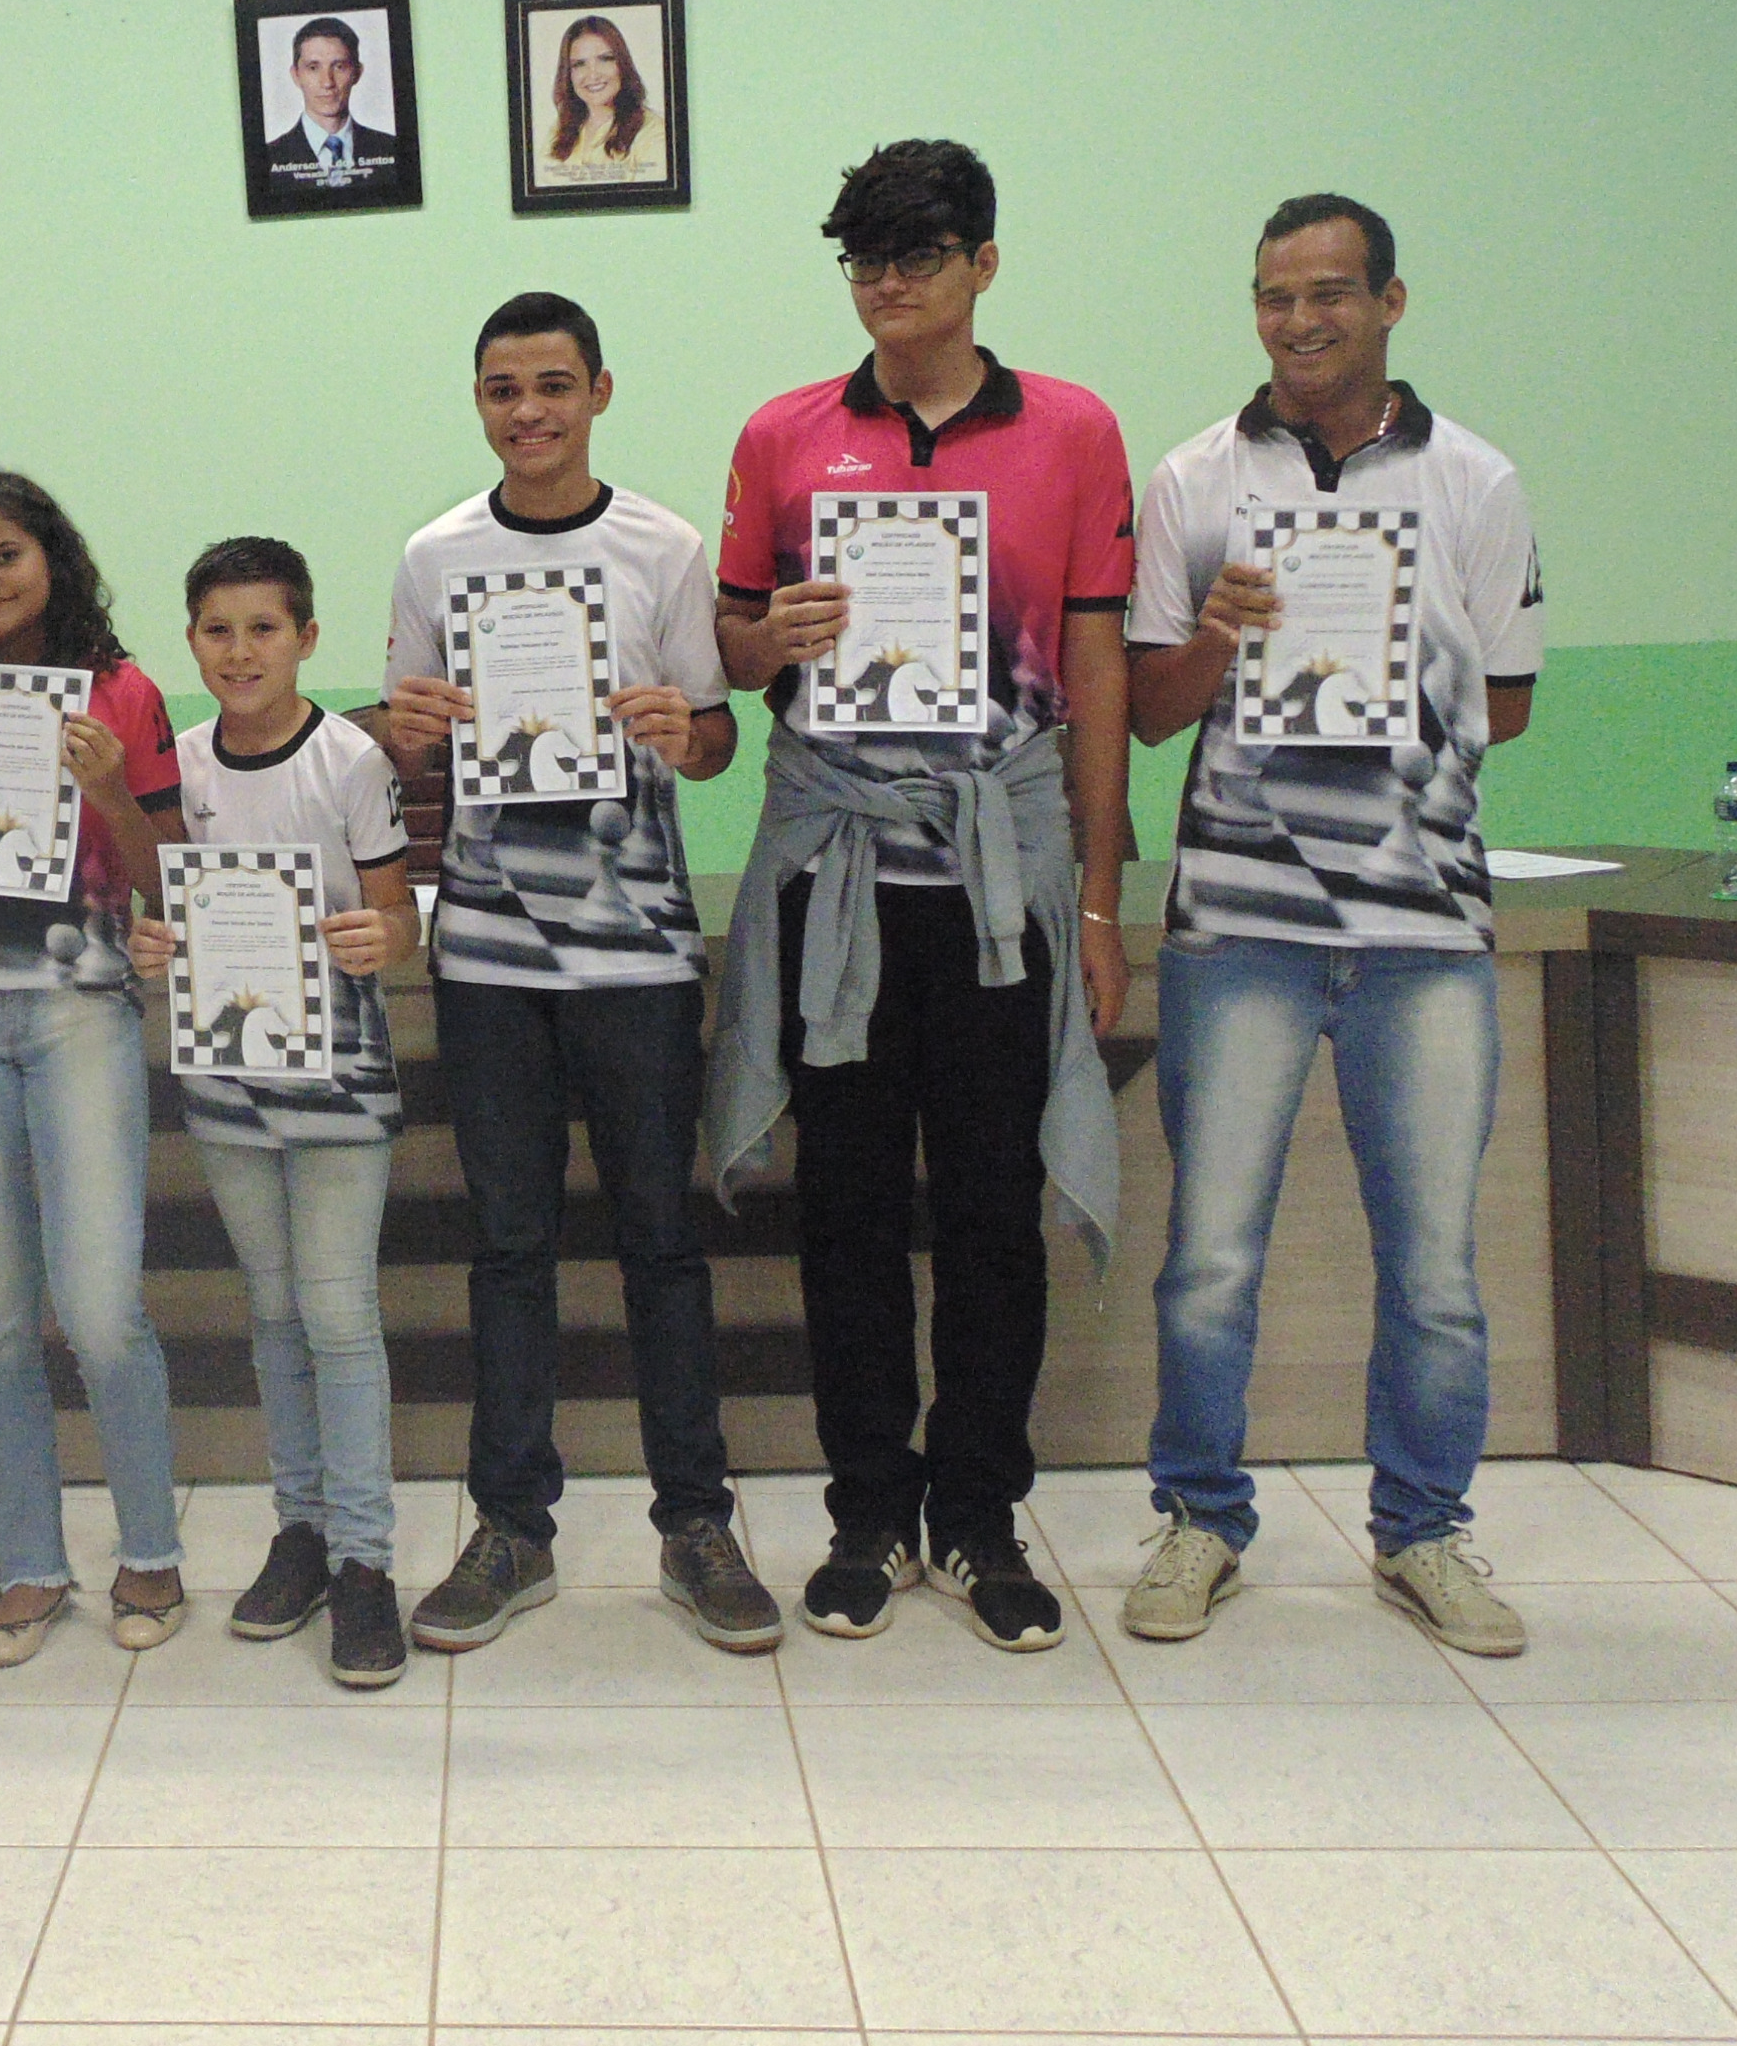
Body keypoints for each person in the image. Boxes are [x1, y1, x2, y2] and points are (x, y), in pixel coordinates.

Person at [702, 138, 1133, 1657]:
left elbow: (1095, 669)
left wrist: (1098, 901)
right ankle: (868, 1514)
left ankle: (980, 1515)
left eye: (919, 256)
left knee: (993, 1213)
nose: (887, 284)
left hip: (998, 892)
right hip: (841, 884)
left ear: (983, 265)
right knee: (848, 1215)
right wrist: (771, 639)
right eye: (864, 261)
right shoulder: (784, 435)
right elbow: (729, 652)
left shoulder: (1072, 430)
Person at [1120, 192, 1542, 1659]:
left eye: (1328, 294)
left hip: (1422, 926)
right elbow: (1150, 713)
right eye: (1273, 296)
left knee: (1433, 1269)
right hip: (1238, 922)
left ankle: (1423, 1531)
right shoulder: (1192, 478)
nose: (1299, 322)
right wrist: (1222, 638)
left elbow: (1509, 705)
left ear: (1388, 302)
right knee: (1209, 1259)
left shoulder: (1476, 480)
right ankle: (1198, 1519)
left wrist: (1380, 666)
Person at [382, 293, 783, 1657]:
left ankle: (696, 1526)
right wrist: (410, 726)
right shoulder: (435, 556)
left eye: (553, 385)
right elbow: (409, 741)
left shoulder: (661, 547)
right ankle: (512, 1529)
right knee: (509, 1249)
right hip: (489, 956)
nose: (529, 411)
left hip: (638, 953)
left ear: (598, 391)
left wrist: (683, 732)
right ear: (478, 403)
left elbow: (716, 743)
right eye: (503, 389)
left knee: (661, 1244)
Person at [0, 470, 191, 1664]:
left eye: (5, 555)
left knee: (101, 1311)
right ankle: (25, 1568)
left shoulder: (122, 692)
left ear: (51, 557)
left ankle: (149, 1549)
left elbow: (163, 879)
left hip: (79, 1014)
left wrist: (104, 786)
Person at [128, 536, 421, 1687]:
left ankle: (364, 1561)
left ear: (304, 637)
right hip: (226, 1078)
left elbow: (398, 916)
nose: (239, 651)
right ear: (190, 641)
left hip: (338, 1075)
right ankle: (298, 1532)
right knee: (274, 1312)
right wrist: (151, 943)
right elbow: (158, 903)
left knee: (337, 1315)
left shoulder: (350, 760)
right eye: (217, 630)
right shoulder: (180, 765)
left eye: (262, 629)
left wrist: (379, 937)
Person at [255, 14, 408, 197]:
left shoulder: (393, 151)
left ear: (357, 73)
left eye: (339, 67)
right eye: (313, 67)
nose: (327, 82)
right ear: (296, 75)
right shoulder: (267, 160)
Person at [533, 13, 667, 188]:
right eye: (579, 64)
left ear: (622, 65)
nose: (593, 75)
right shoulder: (560, 129)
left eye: (605, 59)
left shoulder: (654, 134)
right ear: (568, 74)